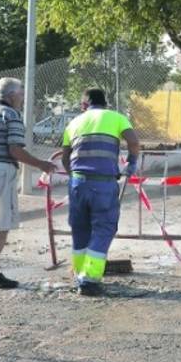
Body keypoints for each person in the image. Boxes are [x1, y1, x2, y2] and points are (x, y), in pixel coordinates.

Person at [0, 77, 56, 288]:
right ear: (12, 95)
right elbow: (14, 150)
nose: (22, 98)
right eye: (21, 94)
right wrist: (41, 164)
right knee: (1, 223)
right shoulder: (11, 115)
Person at [60, 88, 140, 296]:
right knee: (104, 228)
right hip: (103, 184)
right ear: (105, 103)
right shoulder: (116, 118)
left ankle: (79, 274)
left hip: (78, 183)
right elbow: (133, 142)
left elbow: (65, 157)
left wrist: (75, 178)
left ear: (84, 105)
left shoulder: (74, 122)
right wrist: (131, 164)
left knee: (80, 228)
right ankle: (89, 279)